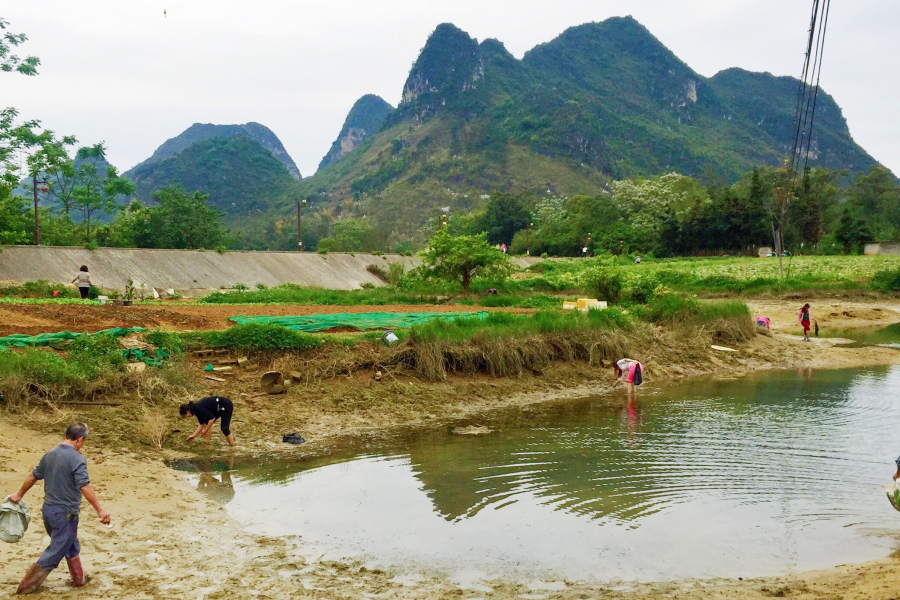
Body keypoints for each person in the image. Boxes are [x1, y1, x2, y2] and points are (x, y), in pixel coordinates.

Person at [8, 422, 111, 594]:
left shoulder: (50, 454)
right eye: (83, 441)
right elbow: (85, 486)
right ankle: (25, 588)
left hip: (48, 511)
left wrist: (19, 494)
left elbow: (33, 476)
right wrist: (100, 510)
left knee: (69, 544)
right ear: (79, 440)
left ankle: (79, 581)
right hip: (65, 514)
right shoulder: (77, 459)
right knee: (56, 550)